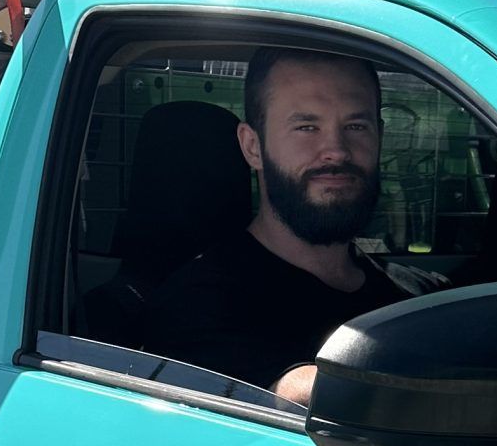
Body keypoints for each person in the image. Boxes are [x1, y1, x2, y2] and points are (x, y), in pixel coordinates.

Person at [143, 48, 403, 400]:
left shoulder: (416, 293)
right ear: (252, 147)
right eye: (306, 127)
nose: (337, 150)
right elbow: (292, 398)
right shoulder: (197, 305)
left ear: (380, 136)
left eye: (355, 126)